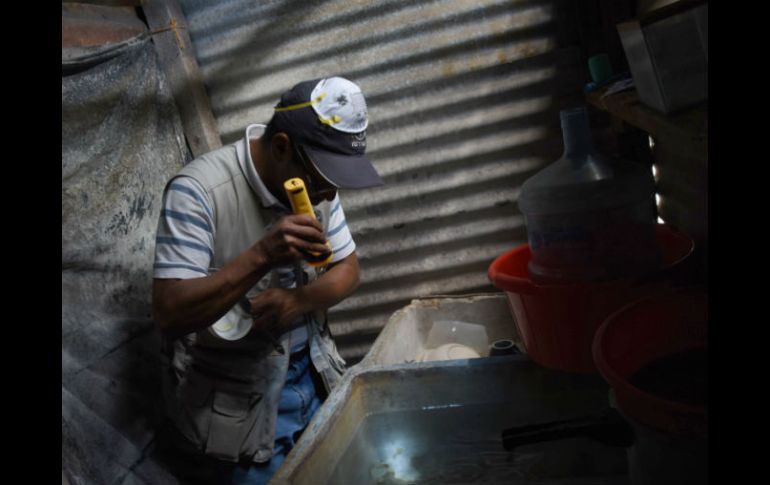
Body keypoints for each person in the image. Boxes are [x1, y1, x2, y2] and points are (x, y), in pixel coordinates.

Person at [151, 76, 383, 484]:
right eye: (322, 181)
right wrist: (261, 256)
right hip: (235, 407)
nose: (328, 196)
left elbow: (348, 270)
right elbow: (170, 313)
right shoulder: (198, 191)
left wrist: (299, 301)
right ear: (281, 148)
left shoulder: (318, 183)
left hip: (314, 379)